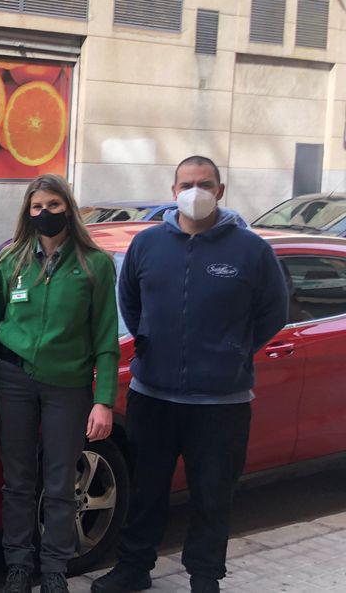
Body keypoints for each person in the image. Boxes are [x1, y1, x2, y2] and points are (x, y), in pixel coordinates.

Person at [93, 157, 288, 593]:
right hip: (153, 395)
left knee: (213, 495)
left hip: (221, 403)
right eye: (186, 183)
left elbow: (274, 311)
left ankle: (204, 576)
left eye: (204, 184)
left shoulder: (251, 250)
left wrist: (235, 350)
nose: (194, 191)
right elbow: (130, 302)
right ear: (173, 188)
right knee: (146, 491)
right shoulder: (147, 246)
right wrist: (150, 341)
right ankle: (134, 568)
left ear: (220, 191)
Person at [0, 174, 120, 593]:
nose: (45, 214)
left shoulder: (95, 266)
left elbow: (106, 338)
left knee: (59, 483)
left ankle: (54, 569)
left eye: (53, 206)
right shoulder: (13, 261)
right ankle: (18, 565)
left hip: (68, 387)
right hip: (13, 380)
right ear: (27, 212)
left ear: (68, 209)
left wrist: (104, 400)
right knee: (17, 481)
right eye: (37, 207)